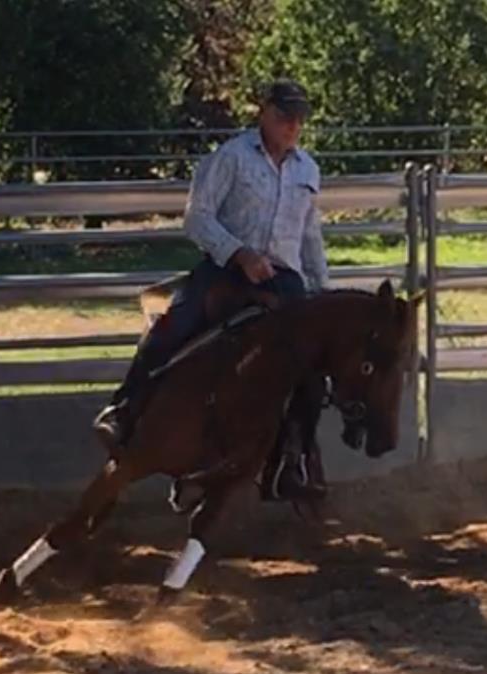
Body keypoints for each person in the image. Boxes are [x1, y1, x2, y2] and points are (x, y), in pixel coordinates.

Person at [92, 78, 330, 500]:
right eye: (284, 116)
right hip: (226, 269)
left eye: (298, 118)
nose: (293, 125)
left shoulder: (308, 169)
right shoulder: (230, 158)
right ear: (264, 112)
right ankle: (124, 411)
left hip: (284, 276)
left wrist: (320, 290)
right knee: (173, 324)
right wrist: (240, 253)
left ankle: (292, 458)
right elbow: (197, 216)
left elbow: (310, 234)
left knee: (316, 365)